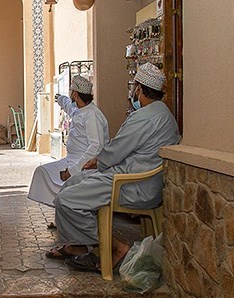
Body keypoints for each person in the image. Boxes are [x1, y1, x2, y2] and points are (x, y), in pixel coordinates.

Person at [46, 62, 180, 272]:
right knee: (74, 181)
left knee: (67, 200)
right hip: (136, 178)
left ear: (139, 89)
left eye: (134, 88)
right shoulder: (162, 113)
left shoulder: (145, 117)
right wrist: (98, 162)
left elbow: (117, 149)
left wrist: (98, 161)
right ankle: (77, 245)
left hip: (131, 184)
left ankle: (116, 247)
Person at [27, 75, 109, 228]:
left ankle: (69, 217)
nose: (70, 95)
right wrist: (60, 99)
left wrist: (73, 170)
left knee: (68, 184)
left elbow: (96, 147)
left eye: (71, 92)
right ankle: (63, 213)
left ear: (75, 94)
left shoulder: (92, 115)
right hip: (71, 159)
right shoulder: (80, 109)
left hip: (85, 163)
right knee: (42, 172)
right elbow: (69, 107)